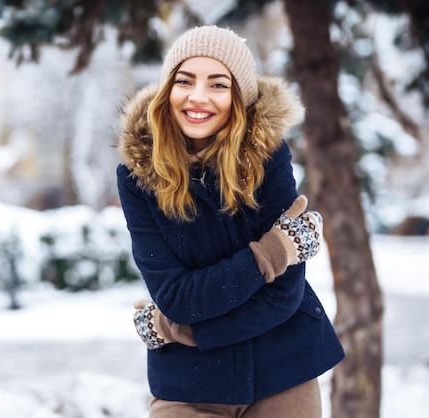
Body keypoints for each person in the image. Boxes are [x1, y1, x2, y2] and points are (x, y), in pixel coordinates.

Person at [116, 25, 344, 417]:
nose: (198, 97)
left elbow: (282, 295)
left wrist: (178, 329)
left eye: (218, 85)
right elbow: (176, 298)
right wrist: (273, 251)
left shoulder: (269, 157)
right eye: (184, 81)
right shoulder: (138, 178)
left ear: (238, 97)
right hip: (188, 382)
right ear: (167, 89)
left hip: (283, 369)